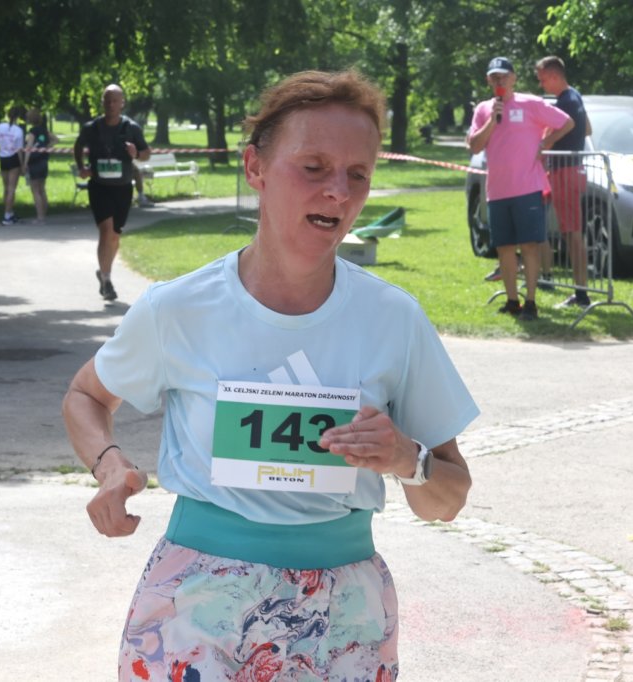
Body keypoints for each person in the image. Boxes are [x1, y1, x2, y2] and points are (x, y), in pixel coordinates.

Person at [62, 69, 478, 679]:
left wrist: (406, 459)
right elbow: (86, 395)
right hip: (196, 604)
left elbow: (448, 498)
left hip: (344, 615)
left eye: (357, 174)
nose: (338, 191)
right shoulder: (178, 308)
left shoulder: (394, 319)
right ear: (255, 167)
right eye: (313, 167)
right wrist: (108, 466)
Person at [468, 57, 574, 321]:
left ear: (514, 78)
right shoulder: (483, 109)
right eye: (494, 76)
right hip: (497, 191)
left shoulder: (531, 103)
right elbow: (474, 146)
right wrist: (492, 121)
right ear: (488, 80)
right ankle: (512, 301)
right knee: (504, 248)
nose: (499, 80)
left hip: (528, 188)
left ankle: (531, 302)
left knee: (529, 246)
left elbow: (567, 122)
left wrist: (546, 143)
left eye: (504, 76)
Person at [74, 84, 151, 302]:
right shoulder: (91, 128)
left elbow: (146, 153)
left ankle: (103, 271)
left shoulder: (131, 128)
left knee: (115, 235)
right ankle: (107, 281)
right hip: (99, 186)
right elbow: (78, 146)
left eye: (115, 100)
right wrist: (82, 167)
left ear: (122, 103)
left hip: (123, 188)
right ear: (102, 102)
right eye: (107, 100)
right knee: (106, 231)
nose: (111, 104)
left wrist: (136, 153)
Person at [536, 56, 593, 308]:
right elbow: (587, 128)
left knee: (573, 234)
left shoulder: (565, 102)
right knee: (571, 233)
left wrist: (546, 142)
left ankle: (582, 294)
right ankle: (580, 291)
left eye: (543, 79)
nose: (541, 84)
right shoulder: (574, 97)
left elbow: (571, 127)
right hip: (571, 171)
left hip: (565, 172)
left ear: (554, 76)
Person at [23, 108, 58, 224]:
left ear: (30, 119)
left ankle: (40, 217)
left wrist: (25, 163)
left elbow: (28, 148)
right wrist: (46, 147)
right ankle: (44, 214)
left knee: (35, 191)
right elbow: (56, 140)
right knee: (42, 190)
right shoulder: (44, 130)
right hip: (44, 161)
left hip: (34, 162)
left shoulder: (32, 132)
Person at [0, 106, 26, 226]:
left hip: (3, 157)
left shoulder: (0, 126)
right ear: (18, 117)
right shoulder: (18, 130)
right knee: (12, 189)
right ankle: (7, 215)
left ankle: (10, 212)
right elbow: (19, 150)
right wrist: (22, 165)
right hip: (13, 158)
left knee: (6, 188)